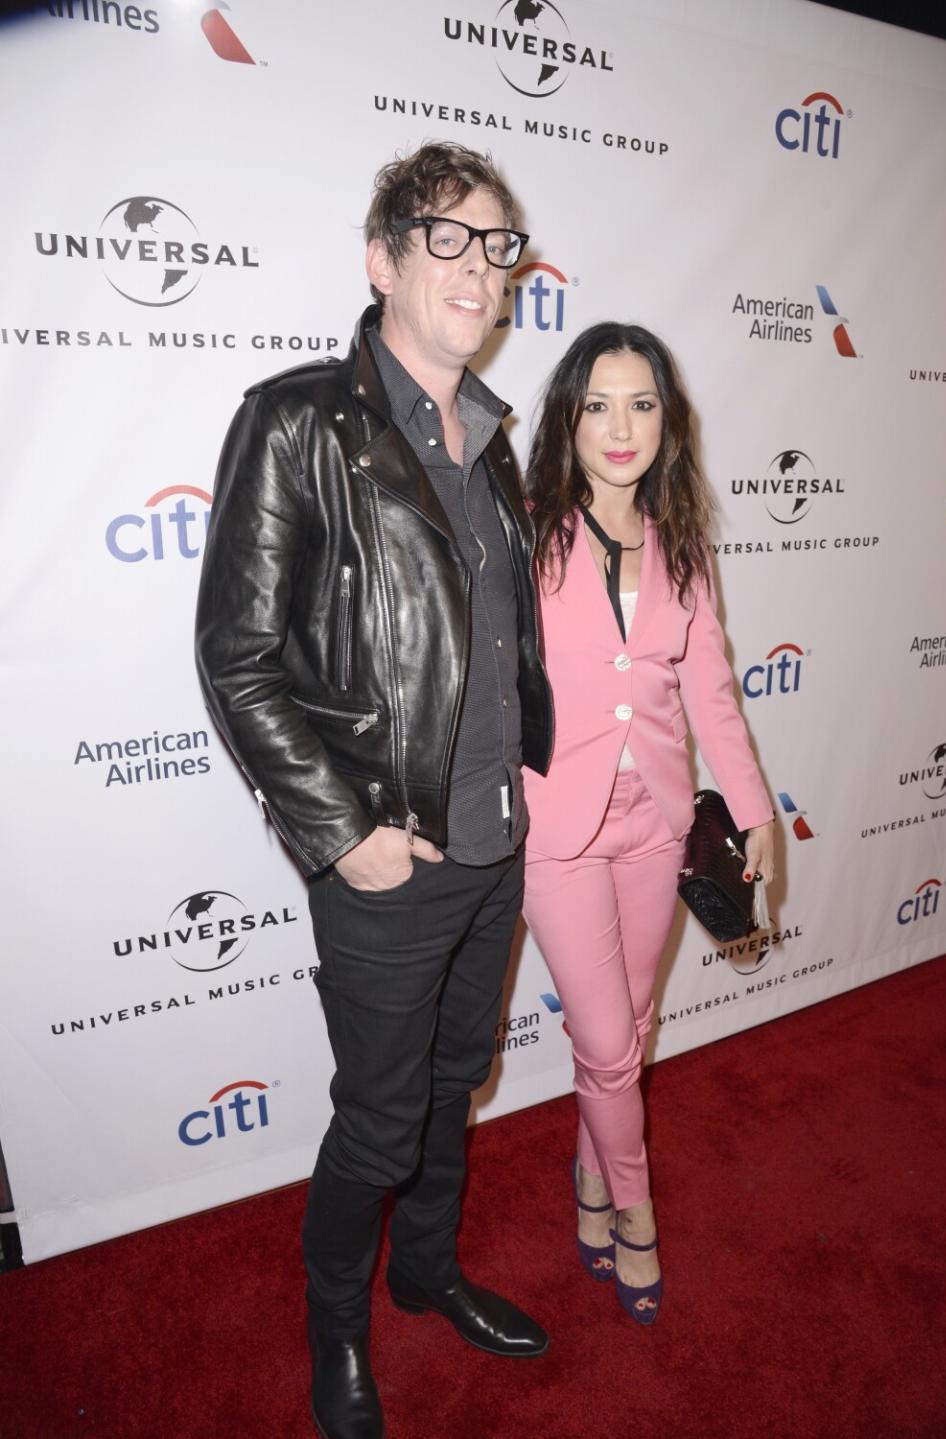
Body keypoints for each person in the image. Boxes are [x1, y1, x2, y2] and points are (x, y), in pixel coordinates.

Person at [195, 142, 554, 1439]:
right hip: (389, 863)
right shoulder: (299, 421)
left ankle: (428, 1269)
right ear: (382, 258)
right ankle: (336, 1326)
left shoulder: (498, 440)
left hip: (495, 845)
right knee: (380, 1115)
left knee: (458, 1079)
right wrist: (345, 836)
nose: (478, 267)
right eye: (446, 238)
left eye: (497, 244)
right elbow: (238, 655)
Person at [522, 322, 775, 1326]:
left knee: (623, 1033)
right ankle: (635, 1210)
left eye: (642, 403)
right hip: (559, 831)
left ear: (669, 423)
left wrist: (752, 809)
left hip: (659, 824)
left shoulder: (684, 541)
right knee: (612, 1043)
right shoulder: (528, 530)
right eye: (598, 403)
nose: (620, 426)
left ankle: (588, 1182)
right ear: (568, 418)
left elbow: (711, 691)